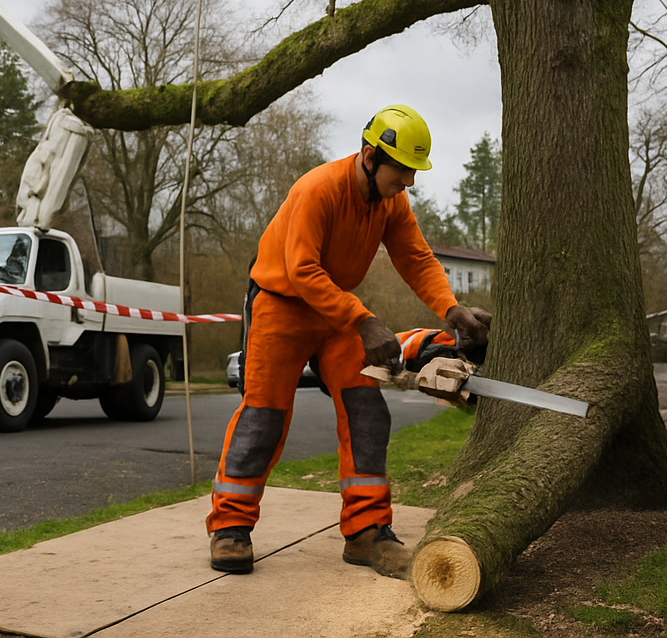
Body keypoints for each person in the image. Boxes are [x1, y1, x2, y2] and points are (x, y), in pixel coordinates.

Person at [207, 104, 490, 579]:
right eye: (402, 171)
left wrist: (451, 309)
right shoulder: (317, 190)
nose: (409, 183)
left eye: (413, 173)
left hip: (337, 312)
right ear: (368, 156)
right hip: (282, 304)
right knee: (264, 417)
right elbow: (301, 272)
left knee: (366, 411)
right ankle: (230, 527)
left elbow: (417, 258)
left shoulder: (391, 202)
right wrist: (363, 320)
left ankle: (367, 532)